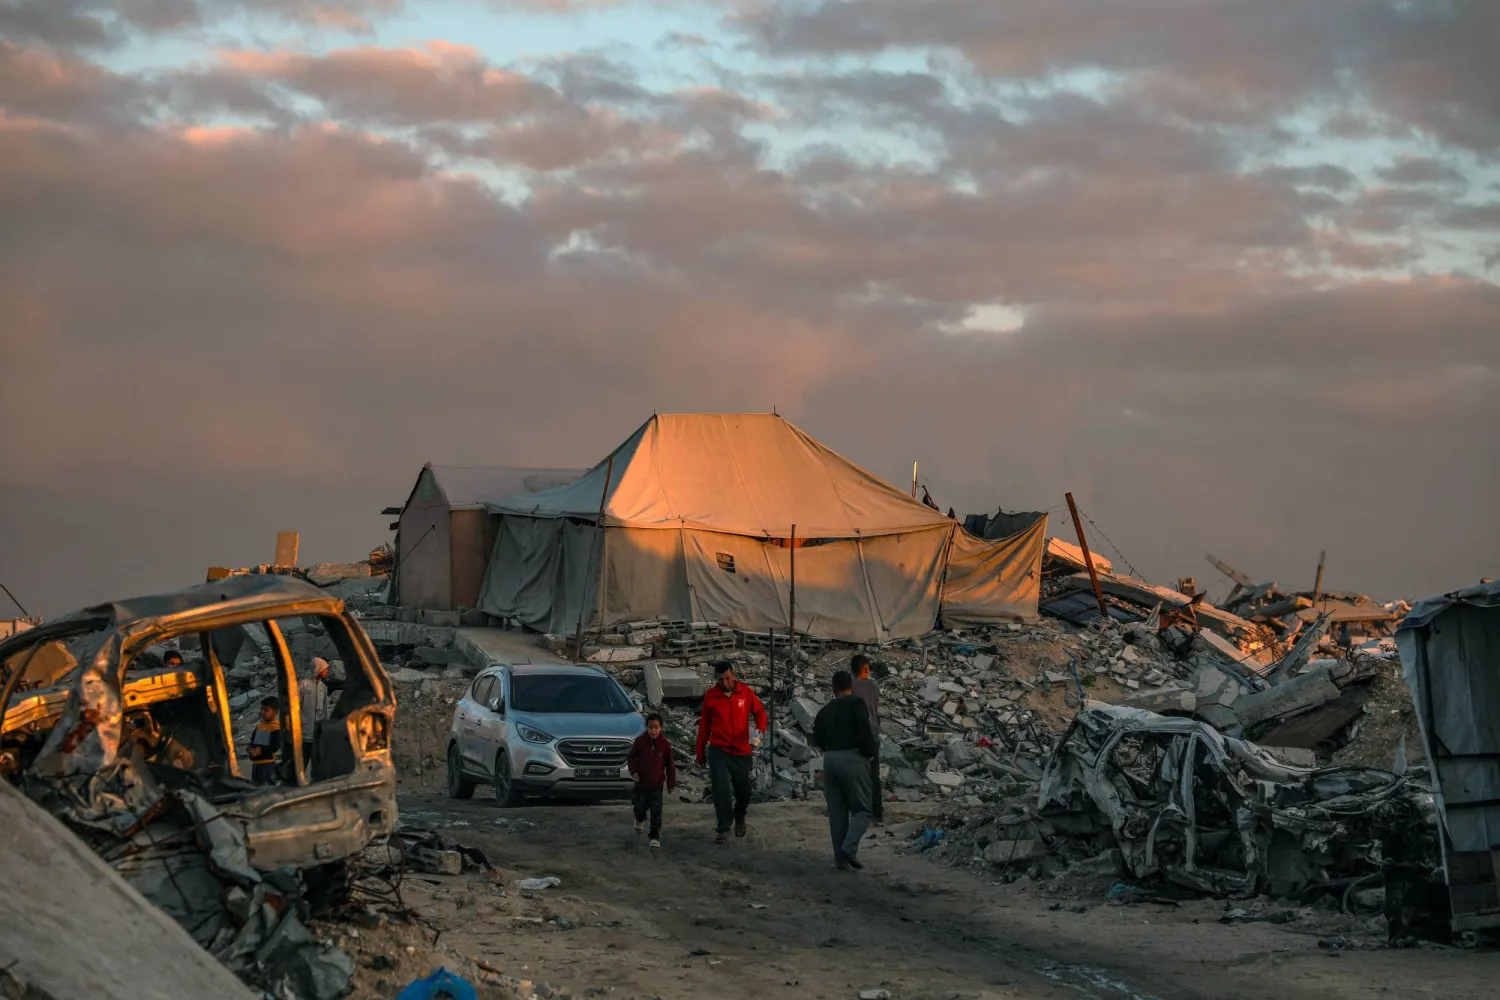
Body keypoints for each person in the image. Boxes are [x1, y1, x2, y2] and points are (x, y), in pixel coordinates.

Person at [811, 670, 877, 870]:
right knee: (863, 809)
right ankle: (849, 848)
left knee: (837, 811)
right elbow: (864, 729)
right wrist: (869, 752)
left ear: (833, 689)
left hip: (830, 759)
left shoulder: (825, 710)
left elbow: (817, 740)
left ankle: (840, 859)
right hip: (852, 758)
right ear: (852, 686)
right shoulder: (857, 704)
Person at [696, 661, 767, 845]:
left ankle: (740, 815)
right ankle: (723, 828)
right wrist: (700, 753)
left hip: (742, 751)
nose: (725, 683)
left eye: (727, 678)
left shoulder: (745, 692)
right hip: (719, 751)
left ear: (733, 675)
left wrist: (757, 735)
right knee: (722, 790)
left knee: (744, 792)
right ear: (716, 679)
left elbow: (760, 713)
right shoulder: (711, 697)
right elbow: (704, 727)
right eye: (721, 680)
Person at [627, 713, 677, 849]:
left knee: (656, 811)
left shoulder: (665, 744)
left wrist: (671, 783)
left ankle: (654, 836)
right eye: (650, 727)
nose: (653, 731)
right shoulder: (639, 742)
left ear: (660, 728)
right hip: (641, 783)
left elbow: (670, 765)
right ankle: (640, 819)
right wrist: (634, 772)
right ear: (646, 728)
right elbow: (631, 757)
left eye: (656, 727)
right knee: (639, 807)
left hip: (657, 784)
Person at [849, 653, 883, 823]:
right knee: (873, 775)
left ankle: (855, 809)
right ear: (867, 669)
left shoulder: (850, 686)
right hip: (872, 733)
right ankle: (877, 812)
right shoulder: (874, 686)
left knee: (853, 774)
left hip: (854, 734)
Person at [297, 657, 331, 772]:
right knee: (302, 763)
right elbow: (295, 707)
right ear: (318, 669)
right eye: (325, 669)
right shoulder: (302, 685)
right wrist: (302, 721)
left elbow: (325, 708)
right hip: (305, 734)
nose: (327, 672)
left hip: (318, 734)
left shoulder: (323, 687)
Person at [247, 696, 281, 785]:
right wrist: (250, 748)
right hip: (256, 763)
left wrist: (260, 751)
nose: (262, 712)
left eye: (266, 710)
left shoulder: (275, 728)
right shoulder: (259, 726)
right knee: (256, 787)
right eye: (261, 709)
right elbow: (253, 741)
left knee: (268, 788)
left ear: (276, 712)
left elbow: (275, 746)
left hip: (267, 764)